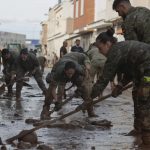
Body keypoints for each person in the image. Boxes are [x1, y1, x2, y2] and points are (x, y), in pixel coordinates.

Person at [91, 29, 150, 145]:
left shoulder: (114, 52)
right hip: (143, 71)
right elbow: (130, 71)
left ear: (107, 44)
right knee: (138, 97)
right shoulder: (120, 49)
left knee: (144, 102)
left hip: (147, 72)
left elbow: (104, 78)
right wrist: (120, 85)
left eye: (100, 48)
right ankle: (139, 131)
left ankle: (147, 140)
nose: (100, 52)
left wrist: (89, 98)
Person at [40, 52, 97, 119]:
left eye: (71, 73)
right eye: (68, 73)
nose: (70, 76)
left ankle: (90, 111)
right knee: (50, 93)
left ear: (75, 71)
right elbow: (53, 88)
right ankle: (45, 111)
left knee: (85, 91)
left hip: (80, 58)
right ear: (65, 70)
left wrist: (81, 88)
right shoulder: (58, 72)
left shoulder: (80, 69)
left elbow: (86, 78)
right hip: (61, 64)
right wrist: (56, 101)